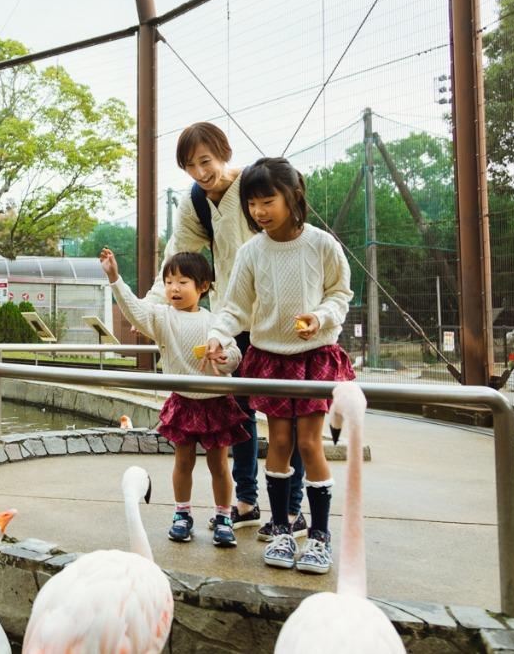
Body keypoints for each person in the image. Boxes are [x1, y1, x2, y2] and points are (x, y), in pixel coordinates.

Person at [147, 122, 306, 541]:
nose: (201, 172)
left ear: (224, 152)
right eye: (190, 165)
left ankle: (292, 508)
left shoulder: (253, 188)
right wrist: (152, 307)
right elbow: (176, 260)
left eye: (207, 160)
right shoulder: (196, 202)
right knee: (239, 416)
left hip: (279, 321)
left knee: (289, 415)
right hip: (233, 322)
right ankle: (248, 502)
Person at [204, 157, 355, 574]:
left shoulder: (322, 244)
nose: (259, 212)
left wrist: (319, 318)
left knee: (310, 444)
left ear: (293, 197)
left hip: (313, 357)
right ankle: (282, 528)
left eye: (267, 201)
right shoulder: (252, 252)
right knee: (280, 442)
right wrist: (218, 334)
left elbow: (339, 294)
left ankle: (320, 536)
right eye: (252, 204)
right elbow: (234, 306)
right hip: (269, 357)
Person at [102, 247, 246, 548]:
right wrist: (115, 278)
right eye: (169, 281)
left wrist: (223, 357)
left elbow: (235, 354)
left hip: (216, 399)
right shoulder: (161, 318)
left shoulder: (215, 321)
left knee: (220, 465)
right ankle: (182, 514)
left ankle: (223, 517)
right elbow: (135, 310)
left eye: (182, 282)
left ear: (203, 286)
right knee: (183, 462)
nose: (174, 288)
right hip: (183, 400)